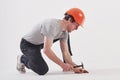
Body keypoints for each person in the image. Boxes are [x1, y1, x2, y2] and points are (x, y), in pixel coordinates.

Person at [16, 8, 89, 75]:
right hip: (28, 45)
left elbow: (65, 52)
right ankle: (22, 59)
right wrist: (62, 65)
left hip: (40, 43)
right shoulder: (52, 26)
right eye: (76, 25)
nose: (76, 29)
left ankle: (67, 64)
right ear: (70, 20)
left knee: (66, 35)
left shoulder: (65, 32)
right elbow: (46, 50)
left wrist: (74, 67)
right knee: (42, 70)